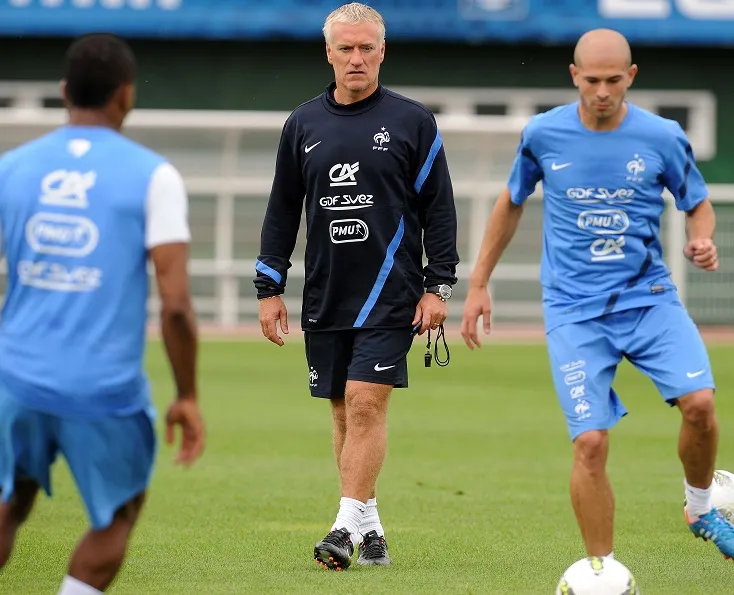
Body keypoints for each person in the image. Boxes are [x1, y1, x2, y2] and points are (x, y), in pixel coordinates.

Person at [461, 28, 734, 562]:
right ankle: (601, 571)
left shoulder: (662, 136)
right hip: (574, 311)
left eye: (614, 80)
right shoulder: (543, 134)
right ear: (574, 76)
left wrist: (702, 238)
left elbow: (696, 202)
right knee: (590, 443)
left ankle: (701, 507)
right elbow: (511, 201)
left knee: (701, 405)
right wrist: (477, 283)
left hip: (649, 298)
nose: (603, 91)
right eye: (592, 80)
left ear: (631, 77)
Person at [254, 2, 459, 571]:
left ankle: (342, 529)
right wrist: (268, 287)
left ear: (382, 51)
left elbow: (439, 209)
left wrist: (438, 285)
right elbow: (281, 211)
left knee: (367, 403)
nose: (357, 58)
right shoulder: (302, 125)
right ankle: (370, 529)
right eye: (346, 48)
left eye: (367, 47)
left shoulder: (414, 121)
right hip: (325, 292)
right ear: (329, 53)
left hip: (392, 293)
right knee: (344, 410)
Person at [0, 34, 205, 594]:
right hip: (102, 390)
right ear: (126, 95)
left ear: (64, 92)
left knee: (9, 502)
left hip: (13, 378)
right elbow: (178, 307)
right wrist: (186, 395)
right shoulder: (154, 176)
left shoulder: (11, 169)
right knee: (117, 515)